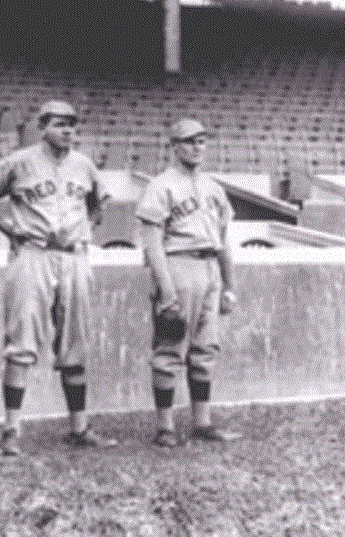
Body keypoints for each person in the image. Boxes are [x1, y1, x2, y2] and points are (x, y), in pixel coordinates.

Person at [0, 100, 118, 456]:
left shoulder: (84, 165)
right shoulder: (19, 162)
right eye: (59, 123)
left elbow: (100, 202)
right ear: (42, 127)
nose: (68, 130)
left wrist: (88, 222)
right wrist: (7, 228)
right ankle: (11, 430)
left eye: (72, 124)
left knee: (75, 342)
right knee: (22, 341)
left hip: (73, 256)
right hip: (33, 253)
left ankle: (79, 427)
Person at [134, 118, 239, 448]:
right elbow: (152, 244)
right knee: (170, 346)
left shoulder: (212, 187)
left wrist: (229, 285)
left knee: (205, 349)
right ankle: (165, 426)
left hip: (209, 269)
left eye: (202, 141)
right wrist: (166, 291)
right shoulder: (160, 185)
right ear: (174, 146)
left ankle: (202, 422)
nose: (198, 147)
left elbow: (223, 241)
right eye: (190, 141)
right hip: (178, 266)